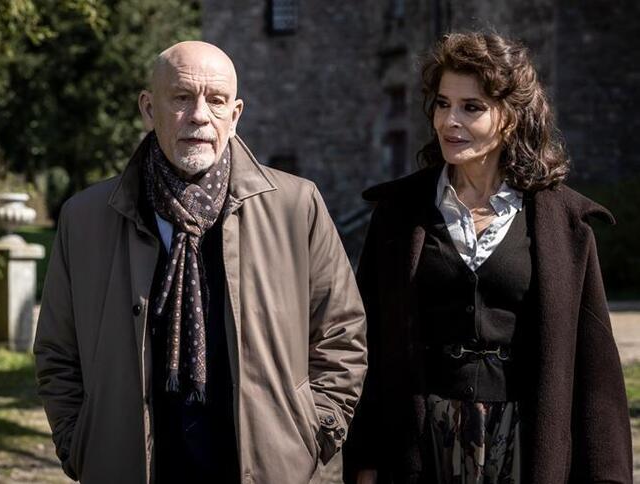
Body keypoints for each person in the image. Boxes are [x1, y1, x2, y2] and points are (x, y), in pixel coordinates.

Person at [34, 40, 367, 484]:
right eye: (182, 98)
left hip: (270, 466)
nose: (200, 115)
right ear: (149, 109)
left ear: (235, 114)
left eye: (216, 101)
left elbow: (342, 336)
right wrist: (79, 443)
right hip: (131, 465)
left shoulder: (296, 205)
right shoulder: (86, 218)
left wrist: (314, 432)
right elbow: (58, 350)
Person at [344, 32, 632, 484]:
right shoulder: (399, 215)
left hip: (525, 442)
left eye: (471, 107)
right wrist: (364, 459)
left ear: (511, 118)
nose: (449, 121)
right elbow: (369, 346)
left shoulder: (563, 223)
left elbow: (595, 369)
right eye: (442, 104)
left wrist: (607, 474)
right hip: (420, 443)